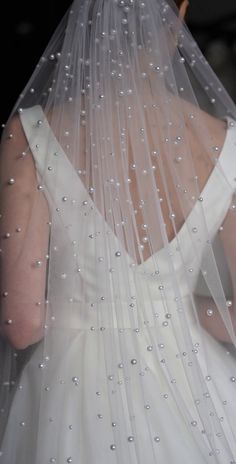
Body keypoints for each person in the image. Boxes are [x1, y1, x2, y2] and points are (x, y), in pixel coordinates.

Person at [0, 0, 236, 462]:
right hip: (198, 386)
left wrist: (86, 311)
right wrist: (176, 311)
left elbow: (23, 324)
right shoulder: (224, 142)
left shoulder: (31, 135)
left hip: (74, 390)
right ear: (180, 13)